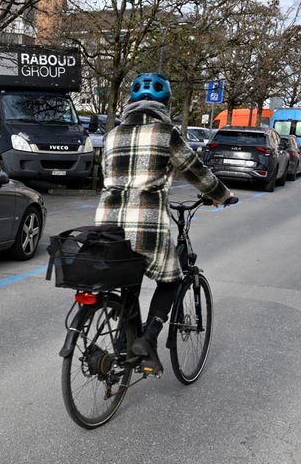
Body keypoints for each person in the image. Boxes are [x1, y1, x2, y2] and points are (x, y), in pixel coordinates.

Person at [95, 72, 236, 373]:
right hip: (146, 224)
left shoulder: (111, 135)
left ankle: (124, 345)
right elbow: (195, 171)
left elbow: (108, 173)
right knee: (170, 279)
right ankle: (147, 338)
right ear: (166, 103)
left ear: (130, 103)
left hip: (107, 223)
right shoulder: (166, 133)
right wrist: (222, 196)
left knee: (127, 279)